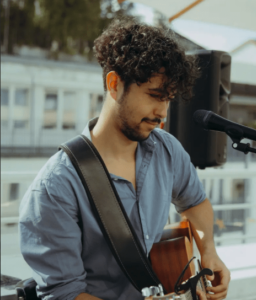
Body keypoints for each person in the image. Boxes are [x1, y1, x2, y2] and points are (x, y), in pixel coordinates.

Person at [19, 18, 230, 300]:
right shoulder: (54, 188)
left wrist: (209, 251)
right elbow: (65, 295)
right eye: (154, 95)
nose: (163, 112)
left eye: (168, 98)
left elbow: (196, 203)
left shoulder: (168, 150)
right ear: (115, 84)